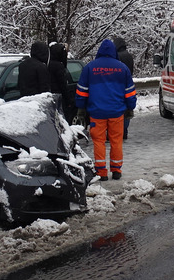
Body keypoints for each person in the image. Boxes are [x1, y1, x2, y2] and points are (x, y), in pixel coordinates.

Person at [75, 39, 137, 181]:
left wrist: (81, 108)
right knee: (116, 141)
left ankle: (101, 172)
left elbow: (82, 91)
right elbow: (129, 91)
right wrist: (130, 107)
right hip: (116, 112)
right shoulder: (122, 68)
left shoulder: (90, 68)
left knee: (99, 141)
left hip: (97, 113)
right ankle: (116, 170)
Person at [112, 37, 135, 139]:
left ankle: (119, 131)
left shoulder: (116, 56)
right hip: (128, 84)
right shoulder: (129, 56)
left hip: (118, 86)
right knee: (127, 108)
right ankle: (125, 130)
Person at [47, 42, 75, 121]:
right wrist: (68, 100)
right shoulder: (59, 66)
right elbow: (63, 84)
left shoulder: (47, 64)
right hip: (59, 96)